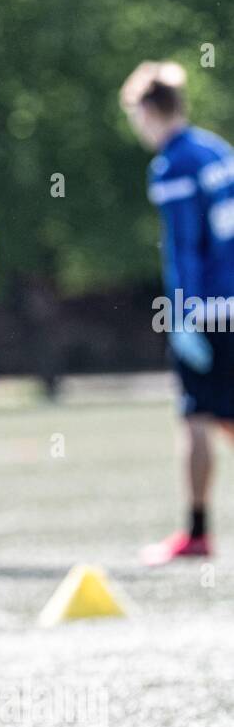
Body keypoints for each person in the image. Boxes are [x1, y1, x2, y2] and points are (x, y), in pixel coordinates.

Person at [120, 61, 234, 563]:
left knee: (195, 417)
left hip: (209, 308)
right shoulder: (216, 149)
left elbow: (183, 246)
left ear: (147, 110)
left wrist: (182, 311)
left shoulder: (172, 164)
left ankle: (197, 531)